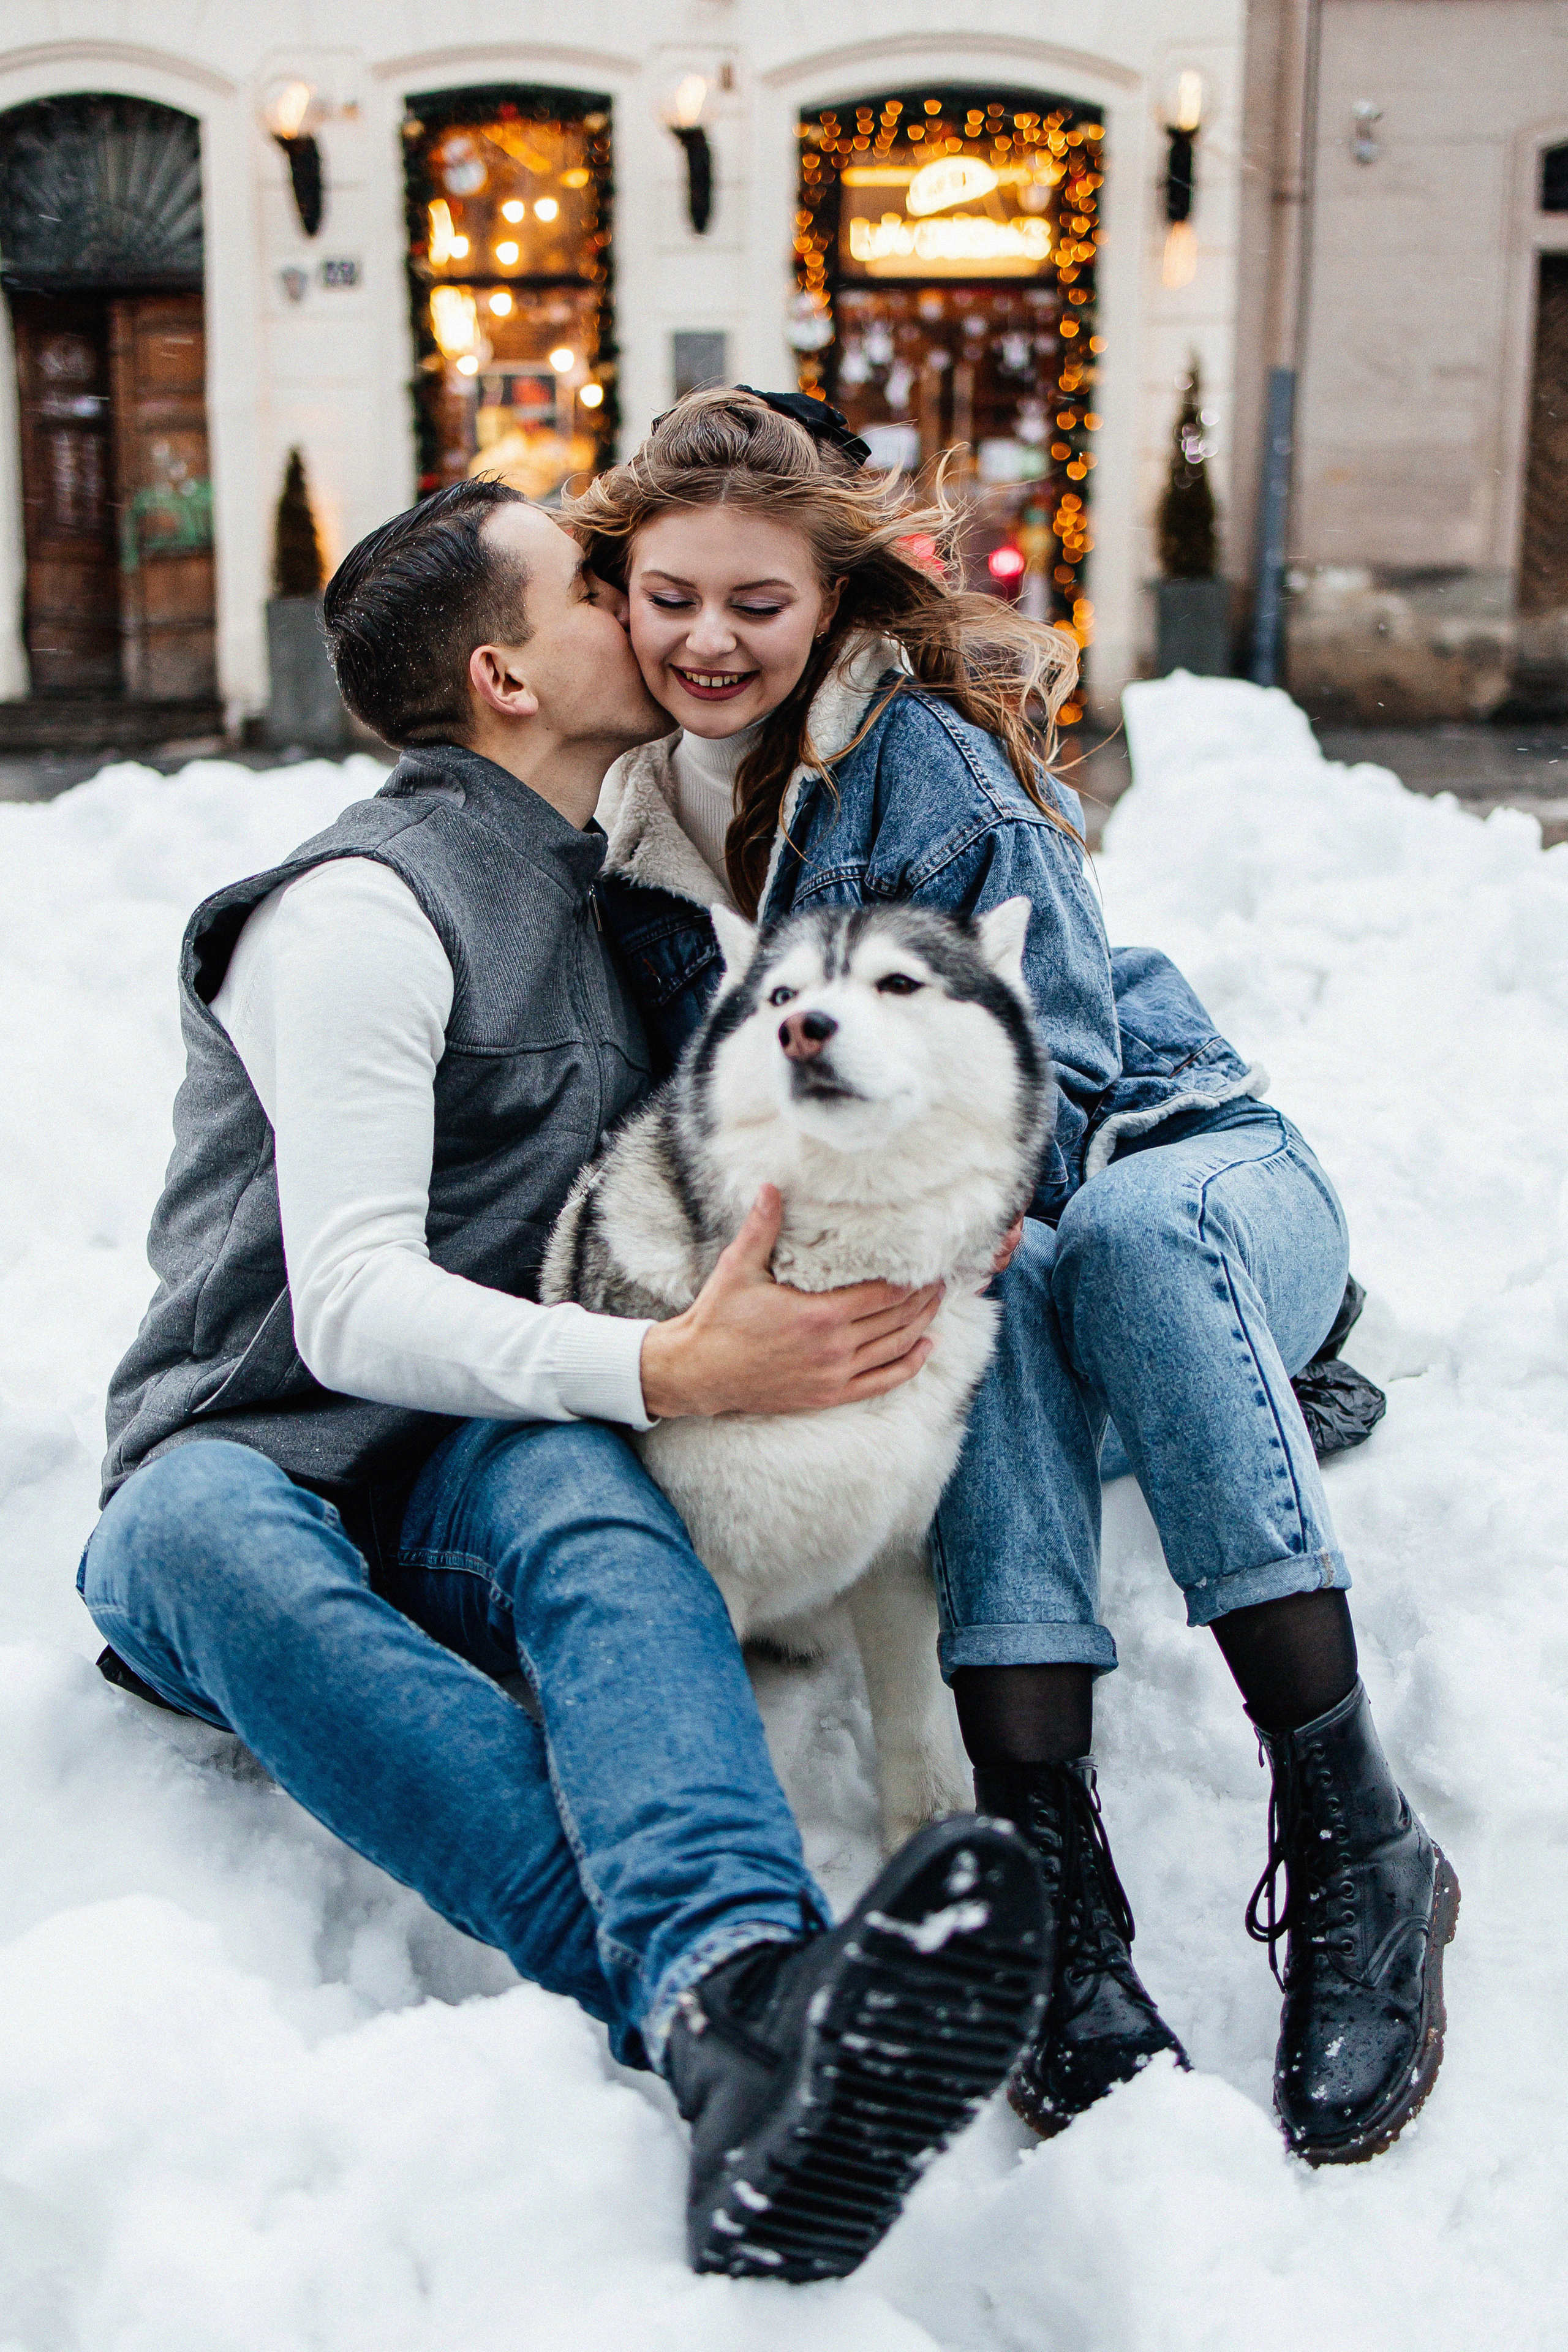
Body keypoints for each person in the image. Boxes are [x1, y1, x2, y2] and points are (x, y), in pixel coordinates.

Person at [78, 478, 1055, 2283]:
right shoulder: (358, 911)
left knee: (598, 1516)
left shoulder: (602, 892)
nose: (638, 603)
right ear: (508, 676)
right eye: (596, 586)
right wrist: (669, 1364)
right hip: (242, 1462)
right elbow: (347, 1305)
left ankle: (737, 2001)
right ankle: (728, 2007)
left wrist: (947, 1216)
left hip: (473, 1447)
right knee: (213, 1530)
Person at [568, 386, 1460, 2168]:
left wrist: (852, 1256)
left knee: (1068, 1248)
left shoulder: (929, 765)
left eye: (758, 601)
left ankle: (1360, 1836)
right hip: (999, 1244)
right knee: (979, 1296)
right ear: (618, 596)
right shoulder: (625, 829)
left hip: (1184, 1171)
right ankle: (1050, 1872)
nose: (711, 640)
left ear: (832, 598)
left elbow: (1059, 1092)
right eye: (672, 598)